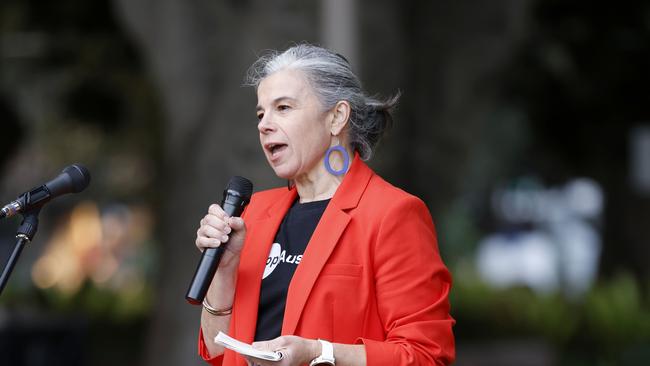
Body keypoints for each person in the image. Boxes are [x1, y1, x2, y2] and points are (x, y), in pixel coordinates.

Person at [195, 44, 455, 366]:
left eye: (284, 108)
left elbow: (427, 356)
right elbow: (219, 353)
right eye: (261, 113)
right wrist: (224, 269)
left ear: (337, 117)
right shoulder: (254, 215)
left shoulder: (392, 214)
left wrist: (320, 353)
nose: (264, 124)